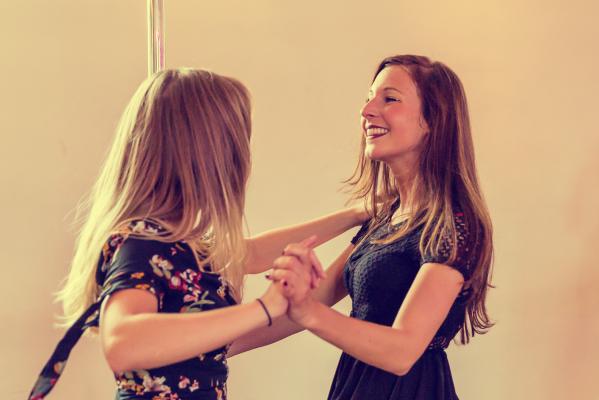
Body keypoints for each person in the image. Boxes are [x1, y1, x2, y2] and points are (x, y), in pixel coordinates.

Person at [29, 68, 368, 400]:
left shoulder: (180, 246)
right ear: (211, 155)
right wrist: (265, 306)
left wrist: (355, 216)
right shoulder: (141, 243)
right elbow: (123, 343)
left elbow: (248, 254)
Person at [232, 55, 494, 400]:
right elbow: (305, 303)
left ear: (433, 120)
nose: (367, 110)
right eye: (369, 98)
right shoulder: (386, 218)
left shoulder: (453, 225)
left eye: (390, 99)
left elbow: (401, 352)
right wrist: (216, 349)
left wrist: (308, 311)